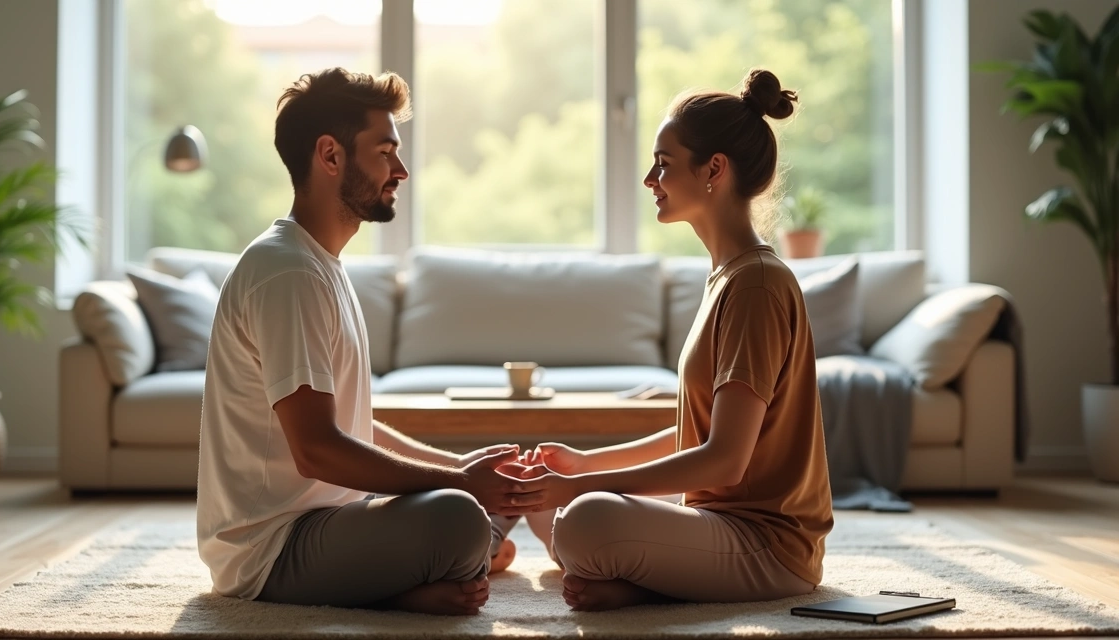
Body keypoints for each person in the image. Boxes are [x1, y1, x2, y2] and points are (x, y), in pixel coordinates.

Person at [196, 68, 539, 617]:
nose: (400, 170)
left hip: (336, 518)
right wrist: (458, 485)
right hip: (273, 550)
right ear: (330, 156)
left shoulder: (319, 264)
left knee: (495, 488)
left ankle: (456, 559)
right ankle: (432, 574)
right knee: (458, 517)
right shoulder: (288, 273)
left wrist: (461, 468)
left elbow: (348, 423)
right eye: (385, 152)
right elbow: (316, 449)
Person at [515, 68, 834, 611]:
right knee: (547, 502)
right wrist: (583, 466)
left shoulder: (756, 284)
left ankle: (637, 584)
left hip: (766, 547)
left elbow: (724, 461)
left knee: (585, 519)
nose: (649, 179)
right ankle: (634, 577)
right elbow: (699, 433)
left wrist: (587, 491)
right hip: (713, 524)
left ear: (714, 169)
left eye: (663, 164)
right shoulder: (727, 277)